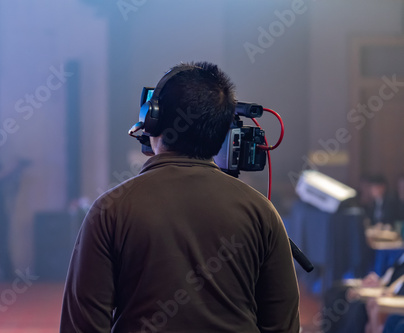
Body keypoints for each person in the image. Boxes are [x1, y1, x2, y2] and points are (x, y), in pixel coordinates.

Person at [60, 62, 300, 332]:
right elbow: (283, 325)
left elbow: (82, 326)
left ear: (153, 119)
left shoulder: (110, 209)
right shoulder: (262, 212)